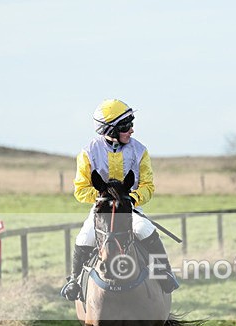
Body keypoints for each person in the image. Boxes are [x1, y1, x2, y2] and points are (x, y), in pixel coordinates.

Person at [60, 98, 179, 301]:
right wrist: (103, 198)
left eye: (131, 124)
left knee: (144, 229)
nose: (131, 130)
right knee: (84, 238)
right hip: (102, 209)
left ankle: (164, 272)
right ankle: (74, 281)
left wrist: (131, 198)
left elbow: (148, 186)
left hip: (129, 207)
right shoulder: (88, 152)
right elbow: (80, 190)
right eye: (126, 126)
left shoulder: (140, 151)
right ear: (111, 130)